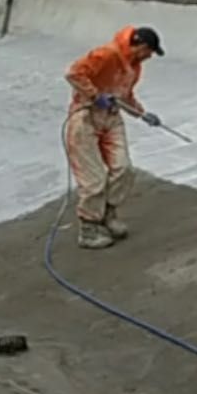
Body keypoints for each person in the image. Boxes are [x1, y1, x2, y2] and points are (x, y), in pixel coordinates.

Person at [63, 25, 165, 249]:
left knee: (123, 168)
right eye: (150, 52)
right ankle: (88, 229)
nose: (149, 57)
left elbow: (124, 95)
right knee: (94, 178)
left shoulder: (134, 67)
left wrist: (142, 113)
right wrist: (95, 95)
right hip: (85, 116)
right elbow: (74, 74)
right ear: (141, 47)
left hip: (110, 118)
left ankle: (107, 214)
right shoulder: (107, 54)